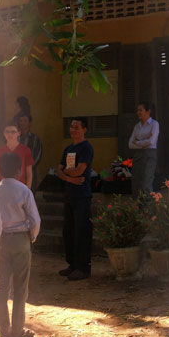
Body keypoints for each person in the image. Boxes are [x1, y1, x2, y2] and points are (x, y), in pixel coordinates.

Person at [0, 142, 41, 337]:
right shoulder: (23, 191)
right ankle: (17, 329)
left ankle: (4, 329)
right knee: (20, 286)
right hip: (21, 239)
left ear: (0, 171)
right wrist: (32, 236)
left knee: (2, 284)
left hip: (2, 240)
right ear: (19, 170)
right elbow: (35, 220)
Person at [56, 117, 98, 281]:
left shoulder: (86, 148)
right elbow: (59, 171)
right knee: (69, 231)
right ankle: (72, 264)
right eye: (72, 127)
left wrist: (68, 174)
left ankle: (83, 267)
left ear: (84, 129)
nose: (73, 130)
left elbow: (80, 170)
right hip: (69, 194)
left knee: (82, 231)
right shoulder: (68, 149)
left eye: (77, 127)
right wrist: (70, 179)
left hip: (82, 195)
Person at [130, 101, 162, 196]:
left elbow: (151, 142)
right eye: (137, 110)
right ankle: (138, 209)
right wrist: (145, 142)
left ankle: (149, 209)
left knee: (146, 184)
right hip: (138, 156)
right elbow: (130, 144)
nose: (138, 112)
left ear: (148, 111)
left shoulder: (154, 124)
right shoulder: (137, 126)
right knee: (137, 184)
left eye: (141, 110)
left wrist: (138, 142)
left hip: (149, 155)